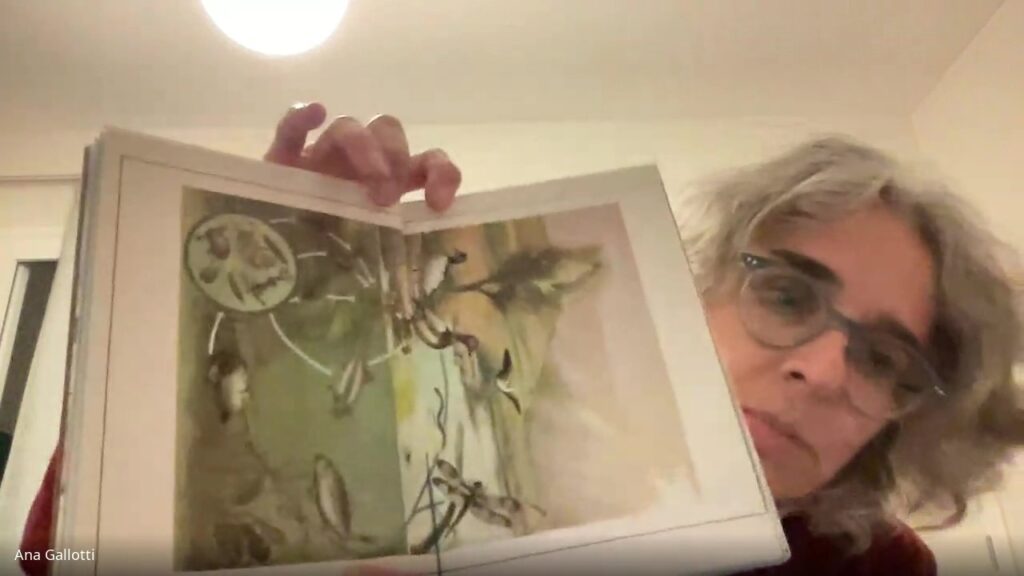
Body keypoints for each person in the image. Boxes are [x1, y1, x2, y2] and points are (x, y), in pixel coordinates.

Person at [20, 103, 1024, 576]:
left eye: (884, 359)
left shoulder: (873, 573)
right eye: (790, 295)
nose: (821, 367)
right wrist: (215, 309)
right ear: (700, 289)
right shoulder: (486, 433)